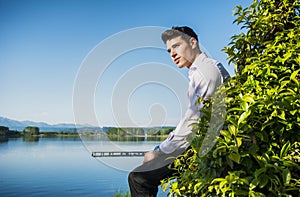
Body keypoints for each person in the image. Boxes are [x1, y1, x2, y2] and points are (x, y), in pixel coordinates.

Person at [128, 26, 230, 197]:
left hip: (208, 147)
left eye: (176, 46)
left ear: (192, 42)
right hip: (206, 143)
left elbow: (192, 122)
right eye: (169, 50)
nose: (172, 54)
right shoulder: (205, 69)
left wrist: (159, 151)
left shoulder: (204, 73)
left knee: (139, 178)